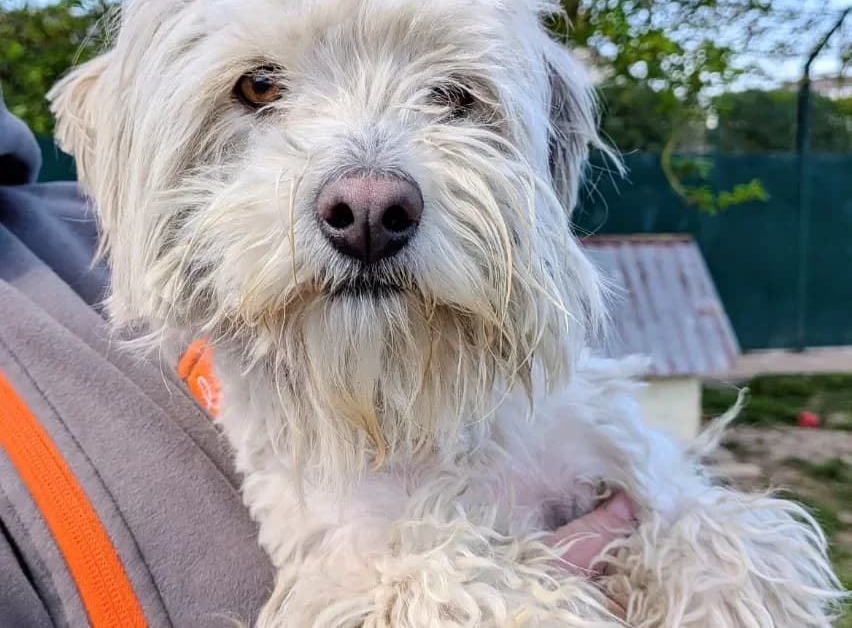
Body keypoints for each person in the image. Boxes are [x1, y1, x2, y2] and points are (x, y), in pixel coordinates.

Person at [0, 84, 634, 626]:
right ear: (131, 141)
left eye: (452, 98)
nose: (366, 199)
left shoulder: (577, 417)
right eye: (262, 90)